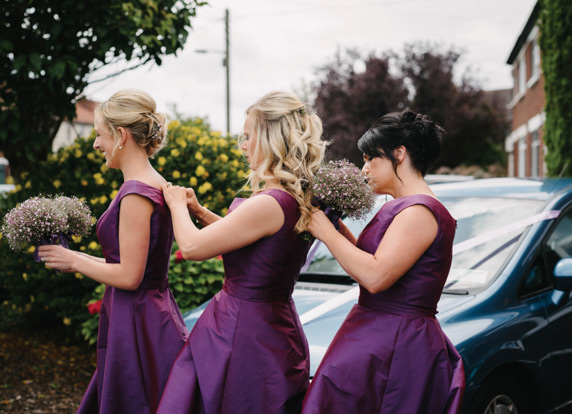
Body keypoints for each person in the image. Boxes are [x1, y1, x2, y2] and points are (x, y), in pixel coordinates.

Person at [156, 91, 326, 414]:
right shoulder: (291, 197)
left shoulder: (269, 201)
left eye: (248, 137)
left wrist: (177, 205)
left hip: (244, 332)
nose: (243, 146)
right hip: (272, 322)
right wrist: (201, 212)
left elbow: (191, 247)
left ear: (271, 138)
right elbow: (254, 249)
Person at [302, 110, 465, 414]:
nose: (364, 169)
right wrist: (336, 228)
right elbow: (370, 261)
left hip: (396, 342)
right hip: (377, 332)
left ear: (399, 154)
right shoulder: (401, 206)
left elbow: (376, 276)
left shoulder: (420, 211)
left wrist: (326, 233)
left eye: (369, 158)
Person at [38, 89, 188, 414]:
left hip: (136, 318)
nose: (95, 144)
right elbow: (129, 263)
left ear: (120, 135)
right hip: (149, 312)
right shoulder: (154, 182)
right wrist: (73, 258)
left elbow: (130, 276)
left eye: (98, 135)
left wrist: (75, 260)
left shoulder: (136, 193)